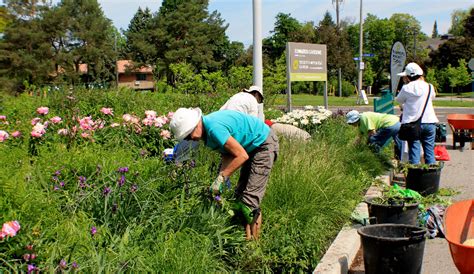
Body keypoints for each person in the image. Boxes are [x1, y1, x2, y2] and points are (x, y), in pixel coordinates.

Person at [170, 108, 279, 240]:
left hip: (263, 143)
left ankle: (254, 247)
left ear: (196, 124)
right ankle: (245, 239)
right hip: (251, 146)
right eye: (186, 137)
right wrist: (218, 180)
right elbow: (228, 154)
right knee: (239, 197)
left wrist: (221, 179)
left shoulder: (213, 128)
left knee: (249, 202)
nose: (190, 139)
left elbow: (241, 155)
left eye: (189, 134)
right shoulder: (207, 134)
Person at [221, 85, 311, 141]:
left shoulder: (236, 96)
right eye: (259, 99)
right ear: (256, 94)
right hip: (238, 127)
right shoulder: (252, 99)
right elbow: (254, 124)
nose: (258, 102)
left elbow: (220, 111)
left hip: (224, 126)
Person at [396, 62, 439, 164]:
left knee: (414, 150)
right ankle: (431, 176)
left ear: (408, 76)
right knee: (429, 151)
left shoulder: (406, 88)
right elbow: (432, 97)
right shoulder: (429, 86)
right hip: (429, 121)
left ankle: (416, 176)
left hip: (413, 124)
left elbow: (399, 100)